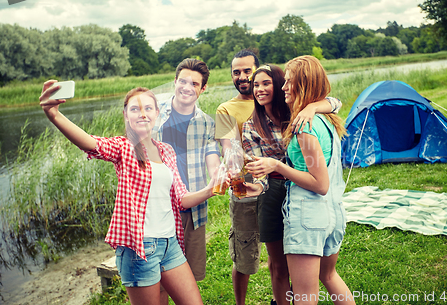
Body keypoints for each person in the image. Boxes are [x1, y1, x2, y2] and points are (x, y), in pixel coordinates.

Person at [39, 82, 222, 305]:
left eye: (148, 108)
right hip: (139, 249)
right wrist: (54, 115)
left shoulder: (166, 151)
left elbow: (181, 199)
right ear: (126, 115)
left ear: (157, 113)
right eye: (135, 109)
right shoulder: (124, 148)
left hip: (170, 244)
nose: (142, 114)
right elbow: (91, 143)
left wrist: (212, 188)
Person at [215, 50, 340, 305]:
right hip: (271, 190)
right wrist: (254, 183)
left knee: (301, 259)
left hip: (302, 191)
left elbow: (334, 102)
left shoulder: (295, 112)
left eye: (251, 74)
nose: (248, 81)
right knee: (270, 261)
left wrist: (314, 106)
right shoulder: (237, 116)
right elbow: (241, 156)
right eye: (237, 73)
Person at [245, 56, 355, 305]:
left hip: (308, 216)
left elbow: (320, 183)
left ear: (303, 85)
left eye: (289, 82)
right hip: (332, 213)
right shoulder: (325, 119)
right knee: (329, 276)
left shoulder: (304, 127)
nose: (283, 87)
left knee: (305, 296)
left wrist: (277, 165)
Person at [152, 59, 221, 304]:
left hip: (191, 208)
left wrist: (217, 177)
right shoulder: (154, 112)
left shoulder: (206, 123)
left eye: (194, 83)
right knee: (158, 278)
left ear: (203, 89)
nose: (187, 87)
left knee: (187, 277)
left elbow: (212, 157)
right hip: (156, 208)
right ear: (175, 82)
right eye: (183, 81)